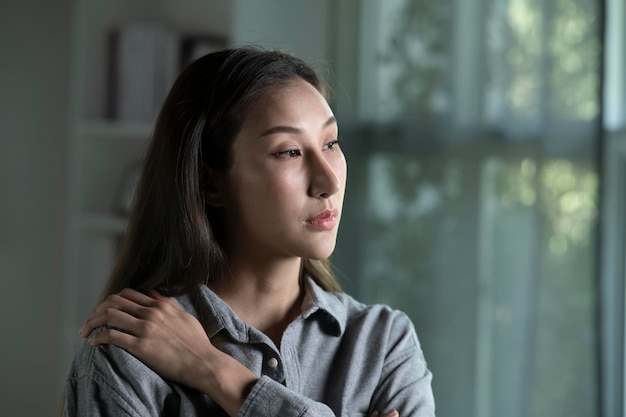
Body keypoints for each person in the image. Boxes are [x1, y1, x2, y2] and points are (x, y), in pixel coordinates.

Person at [62, 47, 435, 417]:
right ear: (211, 183)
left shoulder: (384, 343)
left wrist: (213, 370)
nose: (328, 180)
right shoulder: (126, 351)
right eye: (289, 151)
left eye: (331, 143)